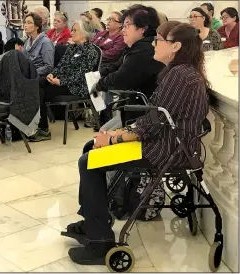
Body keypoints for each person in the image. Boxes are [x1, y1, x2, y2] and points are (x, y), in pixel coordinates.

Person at [62, 20, 209, 266]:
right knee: (91, 150)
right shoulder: (180, 73)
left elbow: (152, 125)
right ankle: (93, 221)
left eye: (158, 40)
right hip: (164, 143)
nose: (153, 44)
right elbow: (153, 120)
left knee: (89, 161)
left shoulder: (180, 76)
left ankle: (100, 241)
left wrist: (114, 137)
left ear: (175, 46)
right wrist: (116, 133)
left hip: (165, 150)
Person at [91, 5, 165, 125]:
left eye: (127, 26)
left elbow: (121, 77)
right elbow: (117, 65)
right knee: (103, 131)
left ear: (143, 28)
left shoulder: (145, 50)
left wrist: (99, 84)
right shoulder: (137, 47)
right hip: (136, 108)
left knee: (99, 138)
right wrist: (98, 74)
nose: (123, 30)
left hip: (146, 114)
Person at [28, 18, 99, 142]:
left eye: (75, 30)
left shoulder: (91, 51)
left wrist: (61, 82)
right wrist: (52, 74)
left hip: (77, 86)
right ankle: (38, 126)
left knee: (39, 91)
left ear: (84, 33)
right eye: (72, 30)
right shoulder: (72, 48)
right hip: (62, 82)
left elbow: (81, 75)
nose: (71, 33)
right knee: (36, 83)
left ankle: (43, 128)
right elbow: (61, 66)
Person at [23, 12, 54, 77]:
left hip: (39, 77)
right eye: (25, 22)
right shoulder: (27, 42)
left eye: (29, 23)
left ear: (37, 26)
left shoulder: (45, 42)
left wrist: (31, 73)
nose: (25, 25)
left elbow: (49, 67)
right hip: (28, 74)